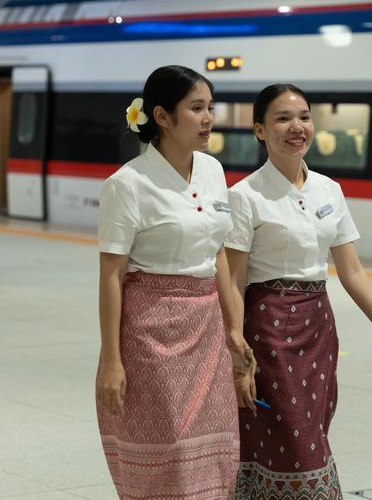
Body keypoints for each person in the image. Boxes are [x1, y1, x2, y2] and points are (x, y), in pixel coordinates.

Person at [226, 84, 372, 498]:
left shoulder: (329, 189)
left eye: (304, 116)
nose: (297, 127)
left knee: (313, 430)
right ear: (259, 129)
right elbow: (234, 282)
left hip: (319, 327)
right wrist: (238, 358)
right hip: (268, 331)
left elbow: (352, 271)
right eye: (282, 118)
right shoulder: (244, 197)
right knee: (287, 437)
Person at [95, 65, 253, 499]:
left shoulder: (213, 171)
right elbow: (112, 273)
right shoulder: (127, 184)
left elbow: (218, 253)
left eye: (210, 108)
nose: (208, 119)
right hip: (150, 332)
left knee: (215, 453)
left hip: (207, 332)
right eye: (196, 108)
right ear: (162, 116)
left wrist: (234, 331)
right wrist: (111, 360)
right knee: (166, 450)